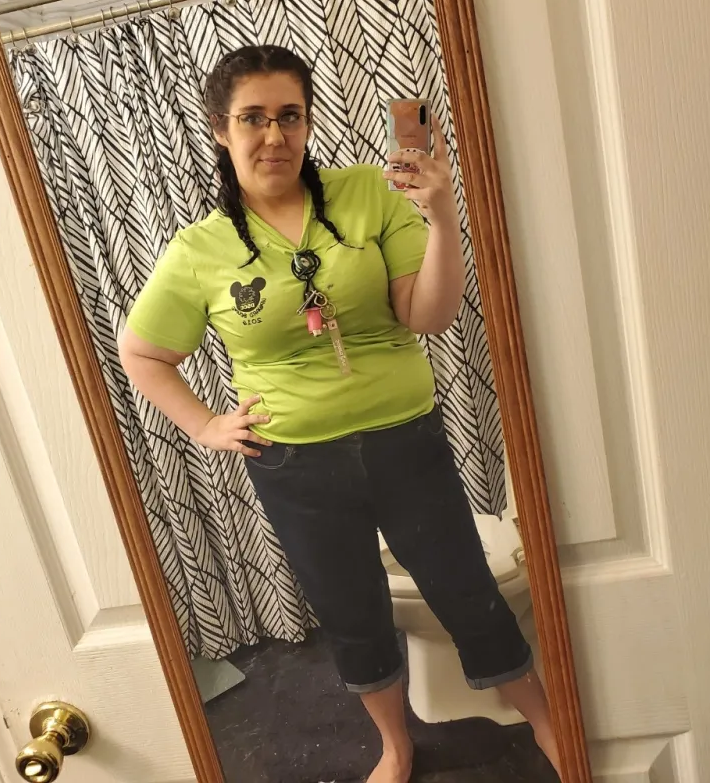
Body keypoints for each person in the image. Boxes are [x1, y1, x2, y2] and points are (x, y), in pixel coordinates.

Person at [119, 44, 561, 783]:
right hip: (296, 465)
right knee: (352, 613)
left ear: (307, 121)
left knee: (467, 591)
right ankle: (396, 744)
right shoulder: (200, 249)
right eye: (252, 118)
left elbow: (428, 316)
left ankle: (547, 719)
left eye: (289, 116)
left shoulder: (366, 194)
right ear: (220, 130)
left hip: (406, 443)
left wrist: (442, 216)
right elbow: (142, 354)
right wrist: (205, 425)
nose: (274, 136)